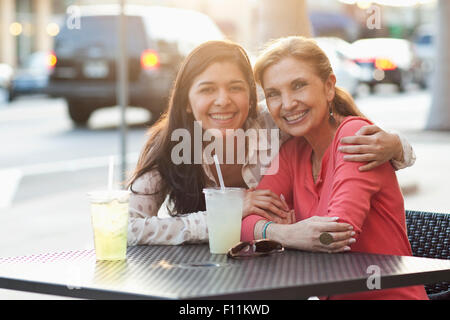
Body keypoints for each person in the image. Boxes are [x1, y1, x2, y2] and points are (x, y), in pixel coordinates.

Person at [127, 40, 415, 247]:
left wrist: (397, 145)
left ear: (252, 98)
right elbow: (126, 229)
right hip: (198, 273)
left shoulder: (276, 125)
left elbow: (339, 130)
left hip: (271, 271)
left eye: (236, 88)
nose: (223, 100)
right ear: (187, 103)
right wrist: (229, 212)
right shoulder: (169, 146)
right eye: (207, 89)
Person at [241, 36, 428, 300]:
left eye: (299, 86)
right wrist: (287, 233)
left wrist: (276, 234)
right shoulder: (293, 151)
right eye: (274, 94)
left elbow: (333, 237)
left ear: (329, 87)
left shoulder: (355, 136)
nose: (287, 103)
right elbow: (243, 224)